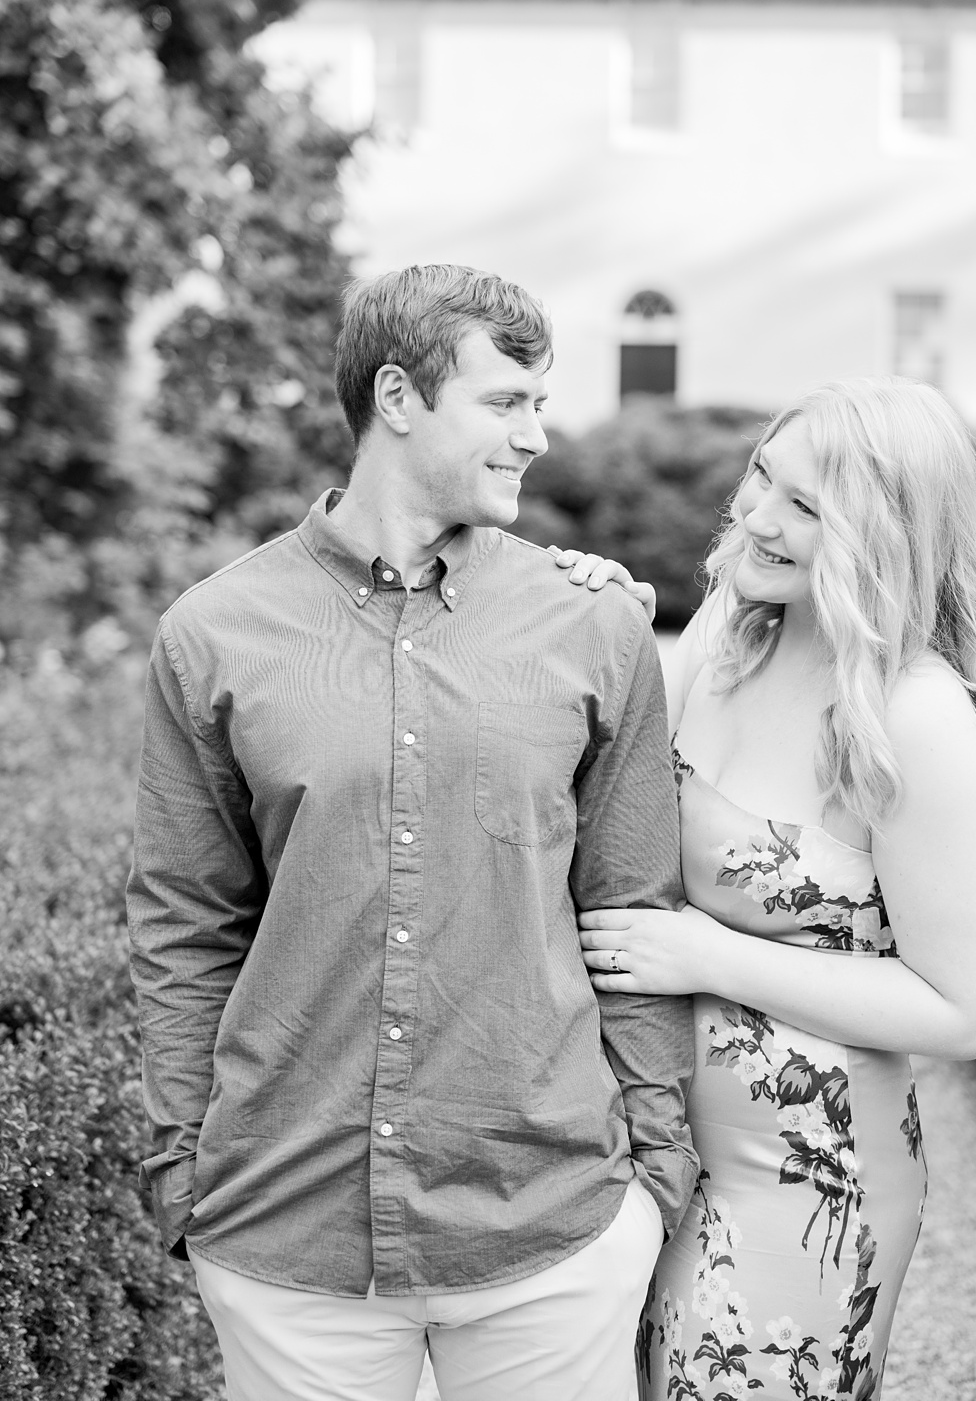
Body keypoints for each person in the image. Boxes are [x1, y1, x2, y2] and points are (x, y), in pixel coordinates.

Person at [125, 265, 698, 1401]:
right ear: (397, 396)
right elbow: (186, 922)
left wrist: (655, 1176)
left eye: (540, 402)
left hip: (552, 1228)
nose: (538, 436)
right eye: (507, 402)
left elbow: (635, 911)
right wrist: (181, 1168)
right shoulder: (211, 633)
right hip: (289, 1237)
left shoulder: (593, 624)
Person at [564, 377, 976, 1401]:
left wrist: (709, 954)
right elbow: (603, 807)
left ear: (886, 537)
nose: (759, 517)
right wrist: (589, 623)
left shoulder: (915, 713)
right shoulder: (727, 634)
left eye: (809, 507)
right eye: (765, 477)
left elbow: (965, 1008)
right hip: (644, 1148)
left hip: (807, 1181)